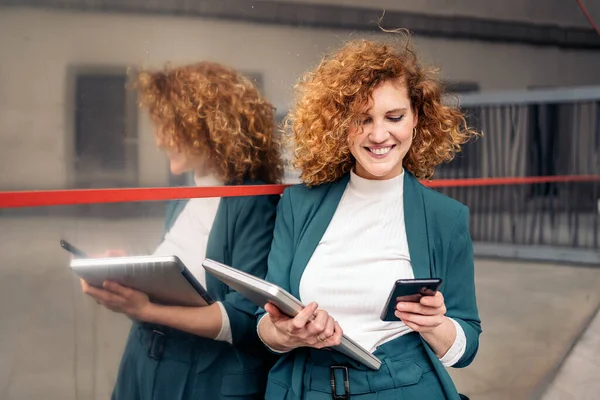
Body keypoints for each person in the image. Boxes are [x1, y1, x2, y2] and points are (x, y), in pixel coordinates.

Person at [257, 34, 481, 399]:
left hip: (404, 387)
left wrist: (435, 325)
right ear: (339, 125)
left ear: (416, 119)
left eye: (394, 116)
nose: (379, 134)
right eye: (362, 119)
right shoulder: (298, 205)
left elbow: (466, 347)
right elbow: (266, 325)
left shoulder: (446, 217)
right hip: (307, 386)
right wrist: (285, 332)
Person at [80, 61, 283, 400]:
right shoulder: (188, 191)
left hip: (202, 375)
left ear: (209, 129)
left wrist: (144, 310)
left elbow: (245, 318)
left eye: (168, 127)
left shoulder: (251, 199)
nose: (160, 141)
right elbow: (184, 272)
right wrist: (132, 268)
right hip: (144, 361)